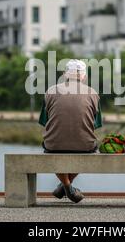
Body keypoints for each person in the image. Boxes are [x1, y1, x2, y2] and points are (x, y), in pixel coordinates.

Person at [39, 59, 102, 203]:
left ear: (64, 75)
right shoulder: (93, 93)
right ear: (84, 76)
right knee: (88, 145)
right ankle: (68, 187)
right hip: (85, 146)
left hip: (53, 146)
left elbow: (44, 121)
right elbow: (96, 124)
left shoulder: (51, 91)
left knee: (52, 146)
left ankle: (65, 187)